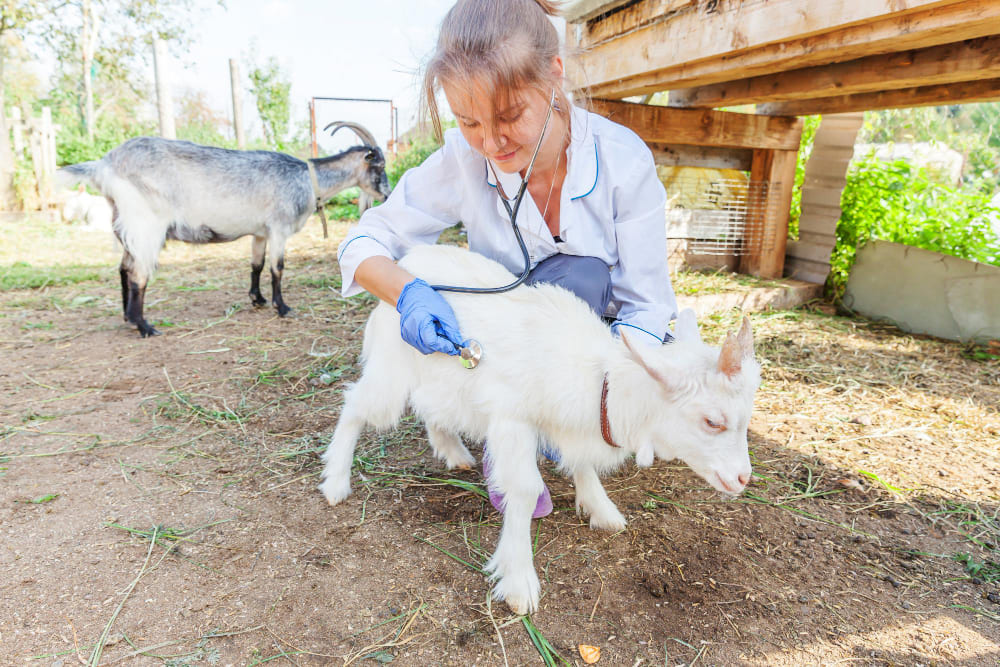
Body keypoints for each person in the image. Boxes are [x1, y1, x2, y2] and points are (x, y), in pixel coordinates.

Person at [336, 0, 679, 518]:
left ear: (554, 76)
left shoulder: (622, 161)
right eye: (469, 120)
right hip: (501, 349)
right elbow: (364, 241)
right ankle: (512, 437)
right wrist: (407, 293)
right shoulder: (462, 158)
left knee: (580, 278)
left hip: (584, 352)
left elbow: (649, 307)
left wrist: (603, 390)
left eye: (511, 116)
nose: (491, 143)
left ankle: (551, 433)